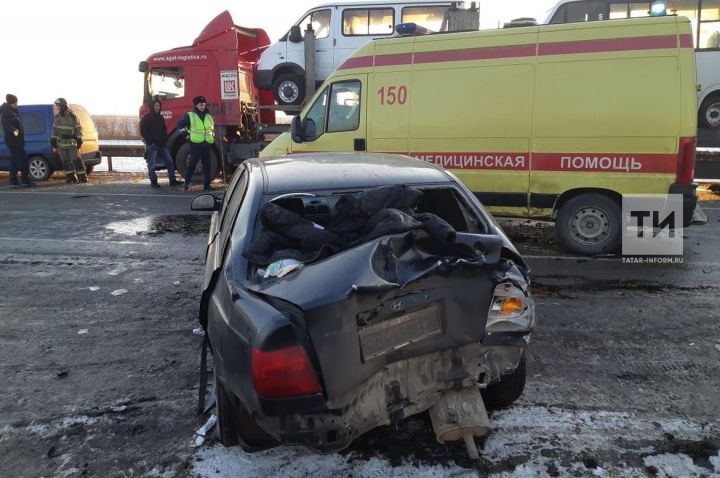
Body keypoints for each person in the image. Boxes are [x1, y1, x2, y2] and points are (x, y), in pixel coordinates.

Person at [176, 95, 214, 191]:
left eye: (204, 105)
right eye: (201, 105)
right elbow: (179, 125)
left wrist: (211, 136)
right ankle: (186, 184)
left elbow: (210, 128)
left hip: (206, 144)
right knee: (192, 164)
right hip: (196, 144)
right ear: (196, 105)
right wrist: (186, 136)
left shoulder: (208, 116)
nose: (203, 107)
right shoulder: (190, 115)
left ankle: (207, 185)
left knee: (207, 165)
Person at [140, 100, 180, 188]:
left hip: (162, 145)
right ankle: (153, 182)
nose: (157, 107)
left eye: (158, 106)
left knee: (169, 161)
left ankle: (172, 180)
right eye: (156, 106)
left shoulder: (160, 118)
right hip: (152, 146)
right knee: (152, 164)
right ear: (152, 107)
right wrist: (150, 142)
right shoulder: (146, 118)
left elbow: (164, 130)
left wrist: (165, 139)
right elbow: (143, 131)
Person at [51, 98, 87, 183]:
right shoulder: (57, 117)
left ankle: (82, 177)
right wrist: (53, 140)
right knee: (65, 161)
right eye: (57, 106)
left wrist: (79, 139)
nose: (58, 107)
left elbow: (78, 128)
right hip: (61, 144)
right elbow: (54, 130)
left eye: (59, 106)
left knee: (76, 160)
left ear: (63, 105)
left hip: (72, 143)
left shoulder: (73, 116)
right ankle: (71, 177)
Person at [0, 94, 33, 187]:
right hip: (13, 141)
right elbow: (6, 125)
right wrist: (13, 130)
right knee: (15, 161)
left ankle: (25, 180)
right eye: (15, 102)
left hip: (18, 141)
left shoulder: (13, 111)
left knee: (23, 160)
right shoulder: (7, 112)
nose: (17, 104)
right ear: (12, 103)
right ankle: (14, 181)